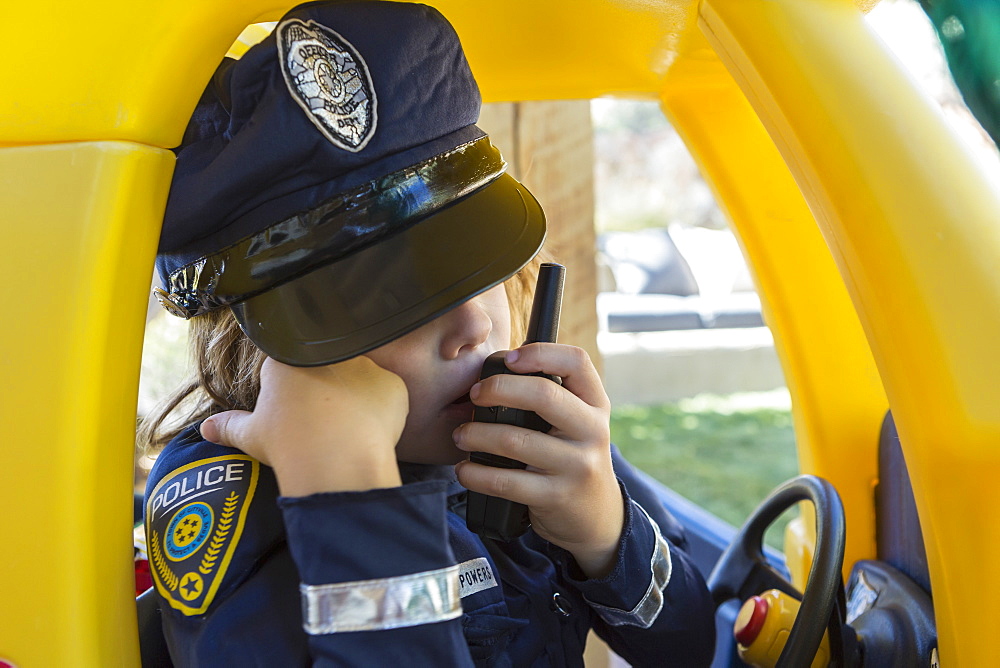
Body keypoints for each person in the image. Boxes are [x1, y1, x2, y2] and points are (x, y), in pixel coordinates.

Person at [140, 1, 715, 665]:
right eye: (394, 297)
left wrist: (606, 532)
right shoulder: (229, 506)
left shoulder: (528, 427)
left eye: (480, 265)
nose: (474, 326)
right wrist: (348, 492)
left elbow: (692, 645)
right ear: (265, 342)